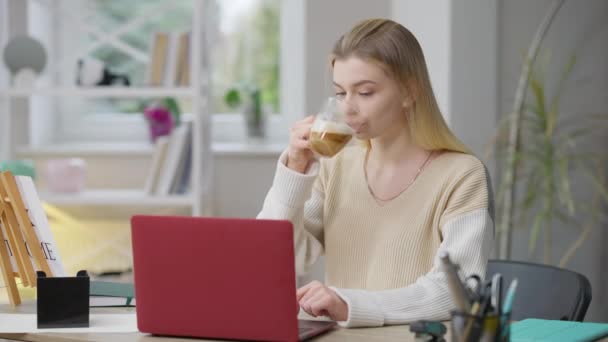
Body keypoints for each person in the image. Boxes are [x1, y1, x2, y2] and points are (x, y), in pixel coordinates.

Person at [257, 18, 494, 328]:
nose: (347, 109)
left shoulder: (462, 175)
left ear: (410, 91)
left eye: (365, 93)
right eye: (341, 93)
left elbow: (457, 290)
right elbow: (273, 259)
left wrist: (350, 305)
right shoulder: (336, 164)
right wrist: (293, 171)